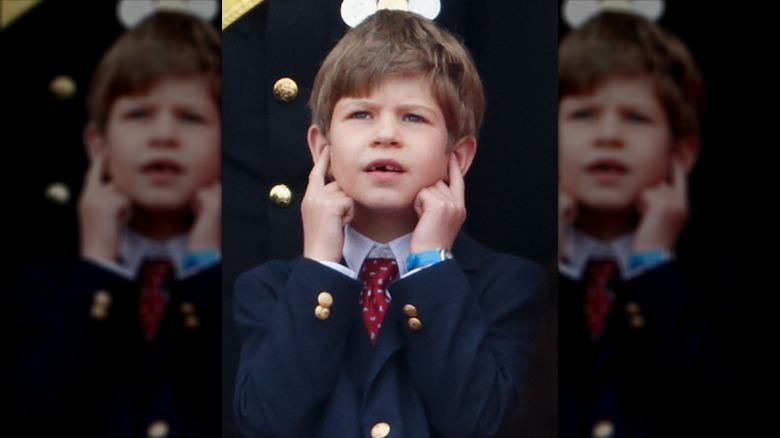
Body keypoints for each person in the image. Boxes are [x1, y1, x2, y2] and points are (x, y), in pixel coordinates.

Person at [221, 1, 558, 436]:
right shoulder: (268, 289)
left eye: (413, 117)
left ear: (458, 156)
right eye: (361, 114)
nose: (385, 134)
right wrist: (322, 266)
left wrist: (430, 266)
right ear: (320, 148)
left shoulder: (506, 286)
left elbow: (475, 420)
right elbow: (267, 421)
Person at [10, 10, 222, 437]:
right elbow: (37, 413)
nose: (163, 135)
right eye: (138, 115)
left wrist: (206, 269)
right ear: (98, 144)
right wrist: (97, 269)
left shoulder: (248, 284)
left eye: (190, 117)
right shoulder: (43, 291)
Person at [556, 9, 715, 438]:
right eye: (584, 115)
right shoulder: (523, 274)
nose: (608, 135)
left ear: (680, 153)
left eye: (636, 117)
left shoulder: (708, 292)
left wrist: (653, 269)